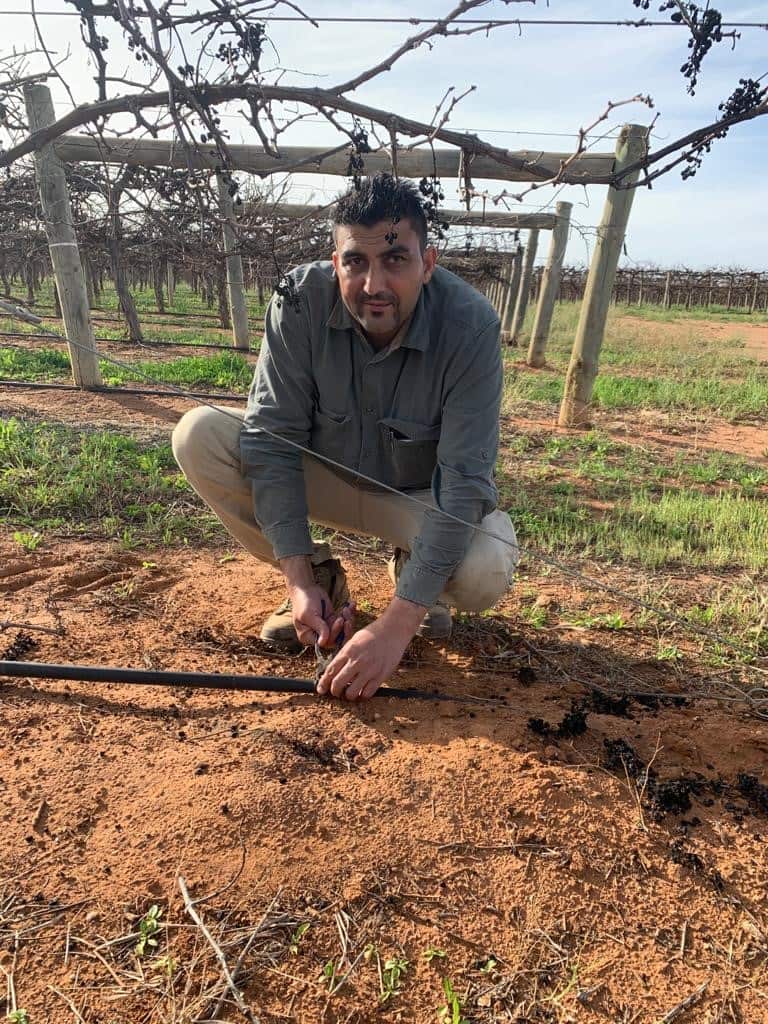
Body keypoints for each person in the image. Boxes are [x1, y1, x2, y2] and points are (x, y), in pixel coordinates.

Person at [172, 174, 518, 701]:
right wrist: (297, 579)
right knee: (200, 435)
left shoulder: (469, 327)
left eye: (395, 260)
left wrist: (396, 627)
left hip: (416, 500)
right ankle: (321, 583)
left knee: (484, 564)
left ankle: (417, 579)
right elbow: (272, 439)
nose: (374, 284)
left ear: (428, 264)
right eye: (356, 261)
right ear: (335, 263)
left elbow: (465, 482)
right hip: (326, 478)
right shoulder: (299, 301)